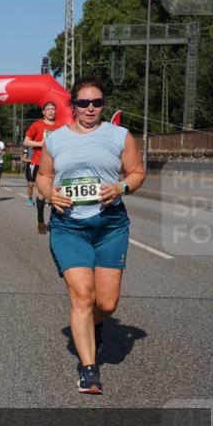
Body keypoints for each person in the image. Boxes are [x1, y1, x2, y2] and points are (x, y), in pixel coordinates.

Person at [36, 76, 145, 395]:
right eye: (83, 102)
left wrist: (122, 187)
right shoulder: (56, 140)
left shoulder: (119, 136)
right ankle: (88, 369)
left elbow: (137, 172)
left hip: (110, 224)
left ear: (103, 105)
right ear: (73, 105)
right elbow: (45, 176)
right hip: (69, 225)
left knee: (107, 303)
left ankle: (94, 322)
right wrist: (50, 194)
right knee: (83, 295)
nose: (90, 108)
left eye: (96, 102)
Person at [25, 101, 64, 233]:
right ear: (43, 112)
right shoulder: (37, 125)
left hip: (56, 164)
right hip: (39, 163)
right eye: (48, 109)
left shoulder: (61, 127)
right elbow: (26, 141)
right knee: (41, 193)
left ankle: (55, 221)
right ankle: (41, 219)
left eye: (53, 109)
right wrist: (41, 143)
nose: (51, 111)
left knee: (56, 192)